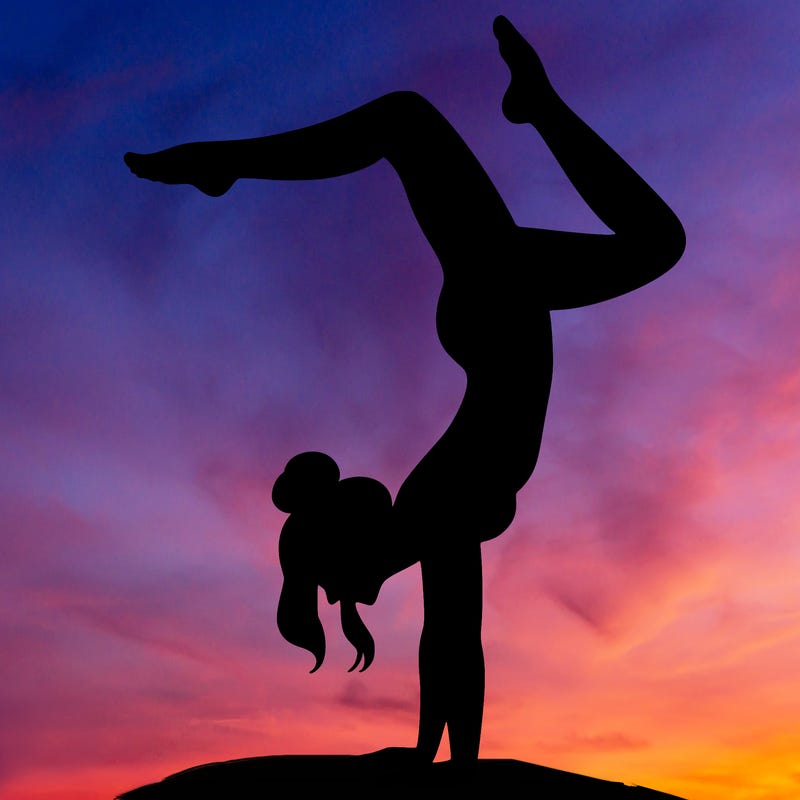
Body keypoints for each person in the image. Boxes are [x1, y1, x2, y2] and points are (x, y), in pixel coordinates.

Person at [125, 16, 685, 764]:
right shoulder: (434, 508)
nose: (351, 593)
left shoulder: (431, 502)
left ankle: (229, 160)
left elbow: (450, 638)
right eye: (340, 587)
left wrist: (438, 763)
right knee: (416, 128)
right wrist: (445, 765)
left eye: (340, 581)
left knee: (407, 122)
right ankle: (536, 107)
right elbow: (453, 638)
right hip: (501, 293)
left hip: (497, 292)